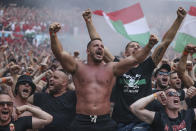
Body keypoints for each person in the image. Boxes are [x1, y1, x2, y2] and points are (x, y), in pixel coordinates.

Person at [49, 9, 158, 131]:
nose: (100, 47)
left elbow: (135, 59)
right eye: (96, 46)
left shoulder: (111, 68)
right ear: (88, 51)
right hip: (82, 121)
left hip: (104, 121)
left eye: (102, 46)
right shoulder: (77, 67)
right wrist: (53, 35)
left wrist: (149, 45)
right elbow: (60, 54)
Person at [83, 7, 187, 131]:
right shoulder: (118, 66)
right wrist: (89, 21)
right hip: (120, 122)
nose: (136, 48)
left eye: (138, 46)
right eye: (132, 46)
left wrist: (179, 19)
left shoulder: (147, 66)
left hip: (142, 122)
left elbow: (165, 42)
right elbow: (98, 44)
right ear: (126, 53)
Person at [130, 87, 196, 131]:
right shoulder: (158, 117)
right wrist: (156, 95)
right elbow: (134, 108)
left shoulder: (188, 114)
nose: (176, 95)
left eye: (177, 94)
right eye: (171, 94)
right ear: (164, 101)